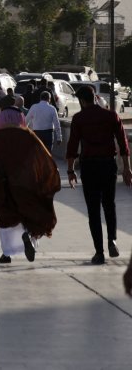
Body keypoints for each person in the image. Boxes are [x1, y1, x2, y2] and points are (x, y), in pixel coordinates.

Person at [65, 85, 132, 265]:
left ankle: (99, 253)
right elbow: (123, 143)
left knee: (93, 210)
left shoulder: (79, 118)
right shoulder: (111, 116)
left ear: (81, 100)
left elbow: (72, 146)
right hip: (108, 165)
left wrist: (71, 170)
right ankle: (112, 241)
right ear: (94, 97)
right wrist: (127, 168)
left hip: (89, 167)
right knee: (109, 205)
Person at [0, 111, 61, 264]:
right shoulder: (28, 135)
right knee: (29, 212)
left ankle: (6, 254)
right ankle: (28, 238)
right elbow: (42, 157)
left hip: (3, 184)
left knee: (6, 217)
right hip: (25, 183)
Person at [25, 90, 62, 155]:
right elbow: (57, 123)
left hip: (37, 133)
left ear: (40, 98)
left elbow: (26, 120)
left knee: (37, 154)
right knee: (48, 154)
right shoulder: (52, 108)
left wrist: (25, 133)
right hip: (48, 134)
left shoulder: (34, 107)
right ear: (49, 99)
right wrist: (59, 137)